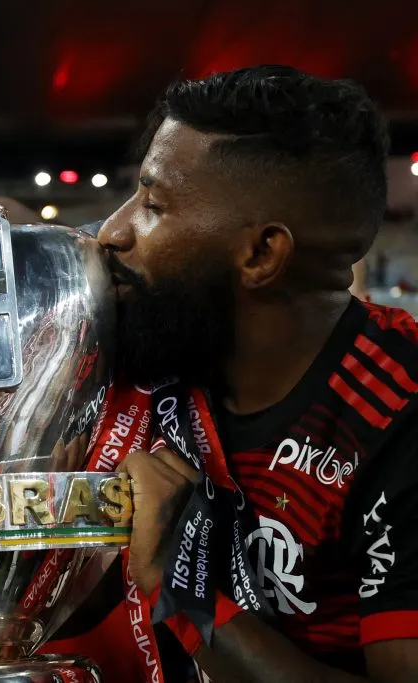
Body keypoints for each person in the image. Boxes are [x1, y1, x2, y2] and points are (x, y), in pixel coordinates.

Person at [99, 66, 418, 681]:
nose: (114, 231)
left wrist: (179, 581)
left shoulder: (399, 408)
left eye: (154, 205)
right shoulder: (166, 351)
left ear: (261, 254)